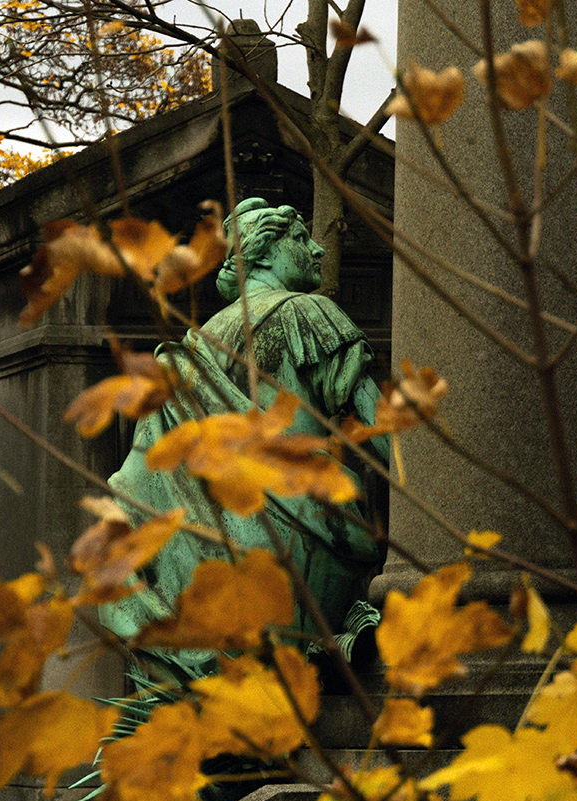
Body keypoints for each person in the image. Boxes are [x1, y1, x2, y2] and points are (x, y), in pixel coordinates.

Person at [103, 198, 389, 680]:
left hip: (222, 557)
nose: (317, 250)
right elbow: (384, 436)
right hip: (307, 542)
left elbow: (141, 477)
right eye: (300, 238)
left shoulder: (197, 344)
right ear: (264, 251)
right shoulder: (310, 313)